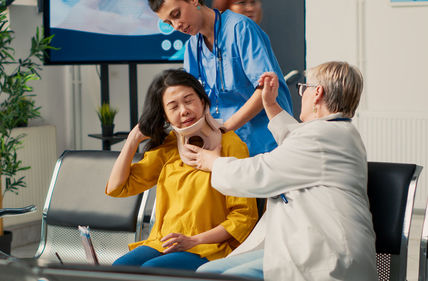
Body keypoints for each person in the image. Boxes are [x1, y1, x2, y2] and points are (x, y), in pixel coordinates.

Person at [187, 61, 377, 280]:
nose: (301, 95)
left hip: (327, 255)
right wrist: (270, 104)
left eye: (303, 88)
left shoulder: (322, 137)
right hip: (308, 244)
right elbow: (295, 139)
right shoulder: (335, 133)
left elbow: (259, 174)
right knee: (208, 272)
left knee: (221, 277)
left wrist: (213, 162)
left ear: (317, 93)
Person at [105, 69, 258, 271]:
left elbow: (244, 217)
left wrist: (193, 240)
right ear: (165, 116)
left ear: (202, 101)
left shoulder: (230, 145)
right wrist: (132, 139)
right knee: (118, 269)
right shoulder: (168, 147)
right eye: (173, 106)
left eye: (189, 100)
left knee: (151, 271)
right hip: (163, 242)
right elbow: (117, 187)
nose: (184, 110)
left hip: (209, 246)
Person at [148, 0, 292, 156]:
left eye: (176, 15)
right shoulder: (192, 47)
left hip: (266, 141)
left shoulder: (240, 28)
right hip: (227, 145)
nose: (176, 26)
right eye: (169, 23)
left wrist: (224, 128)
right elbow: (196, 101)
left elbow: (265, 90)